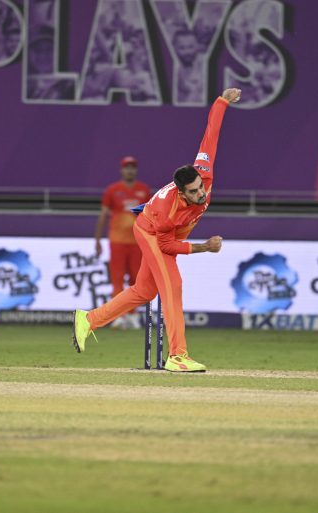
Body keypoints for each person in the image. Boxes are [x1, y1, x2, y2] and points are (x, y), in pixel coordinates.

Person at [72, 88, 242, 372]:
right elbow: (167, 246)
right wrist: (204, 247)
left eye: (201, 187)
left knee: (144, 291)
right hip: (151, 232)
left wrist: (222, 101)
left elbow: (210, 135)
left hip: (164, 232)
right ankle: (177, 355)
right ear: (181, 192)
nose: (202, 194)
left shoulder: (203, 172)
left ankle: (88, 320)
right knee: (172, 286)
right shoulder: (168, 211)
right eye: (194, 192)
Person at [93, 156, 151, 327]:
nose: (130, 170)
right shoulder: (112, 190)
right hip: (117, 241)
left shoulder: (144, 190)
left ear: (136, 170)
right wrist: (97, 240)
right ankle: (117, 316)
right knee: (117, 279)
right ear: (122, 170)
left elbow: (149, 216)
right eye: (127, 167)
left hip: (137, 242)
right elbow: (103, 215)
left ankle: (133, 315)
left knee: (136, 279)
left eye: (133, 167)